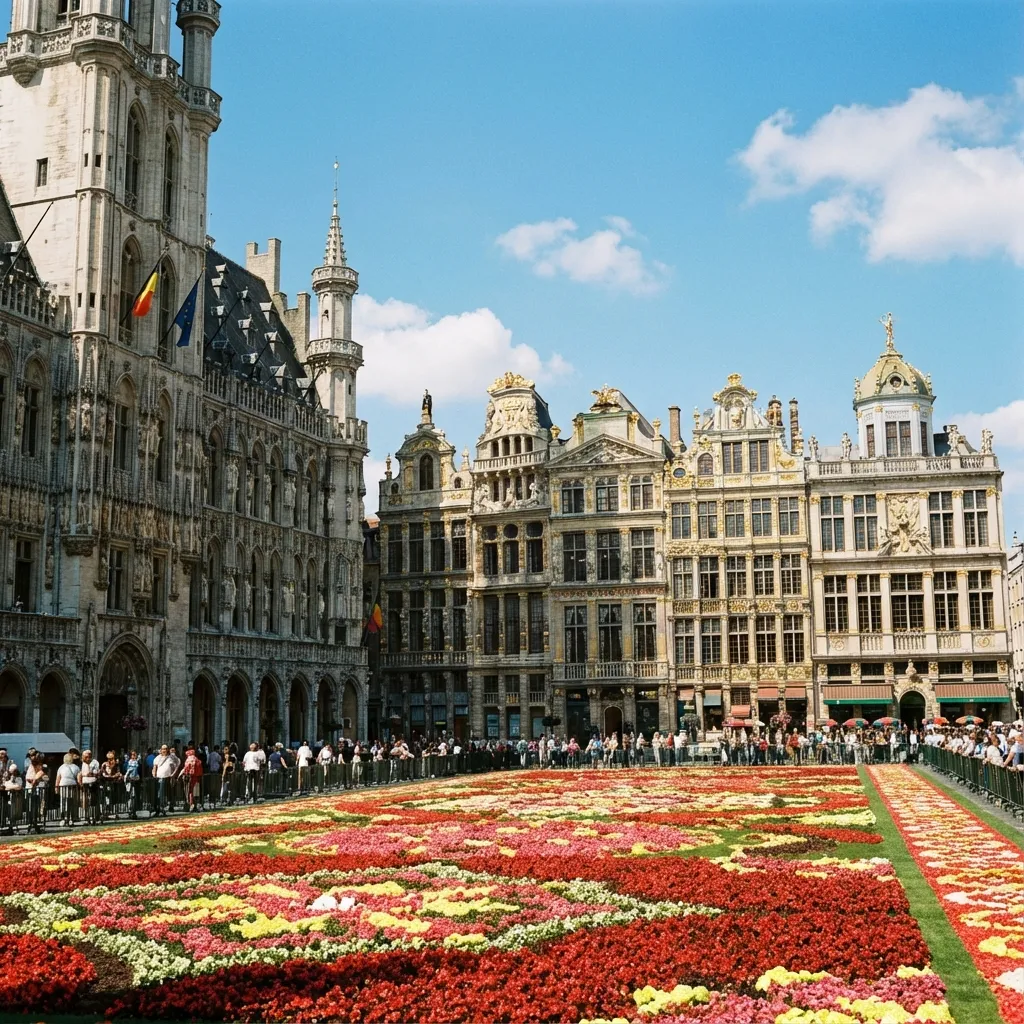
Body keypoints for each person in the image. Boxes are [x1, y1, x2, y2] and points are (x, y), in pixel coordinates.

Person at [153, 744, 178, 816]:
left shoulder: (170, 758)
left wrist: (173, 775)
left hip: (168, 778)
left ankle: (164, 808)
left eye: (166, 749)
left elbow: (174, 766)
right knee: (159, 794)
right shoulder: (157, 758)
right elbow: (155, 767)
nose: (164, 750)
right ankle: (159, 809)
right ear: (161, 750)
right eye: (163, 749)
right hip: (160, 778)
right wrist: (154, 775)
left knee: (166, 794)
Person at [25, 755, 48, 833]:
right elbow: (28, 778)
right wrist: (34, 780)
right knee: (31, 807)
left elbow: (46, 778)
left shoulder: (41, 769)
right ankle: (31, 822)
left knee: (37, 807)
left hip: (38, 790)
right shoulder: (31, 768)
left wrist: (37, 779)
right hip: (31, 790)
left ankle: (36, 822)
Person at [56, 751, 80, 826]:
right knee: (71, 802)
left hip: (63, 785)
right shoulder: (76, 767)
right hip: (72, 785)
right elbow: (79, 778)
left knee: (63, 802)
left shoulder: (61, 767)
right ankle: (71, 818)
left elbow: (58, 778)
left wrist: (56, 787)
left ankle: (63, 818)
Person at [99, 750, 123, 821]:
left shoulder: (116, 765)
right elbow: (102, 773)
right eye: (109, 759)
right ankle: (105, 812)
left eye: (112, 759)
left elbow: (118, 773)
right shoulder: (104, 764)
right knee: (106, 797)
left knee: (113, 797)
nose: (111, 760)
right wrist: (108, 776)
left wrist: (114, 776)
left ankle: (113, 812)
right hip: (106, 783)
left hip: (113, 783)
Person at [179, 745, 203, 811]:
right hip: (197, 777)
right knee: (196, 792)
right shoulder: (196, 759)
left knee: (189, 791)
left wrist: (180, 775)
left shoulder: (188, 759)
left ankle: (191, 804)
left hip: (189, 777)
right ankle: (195, 804)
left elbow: (185, 768)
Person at [79, 749, 100, 825]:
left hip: (92, 782)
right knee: (86, 800)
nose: (86, 758)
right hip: (85, 783)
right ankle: (87, 817)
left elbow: (96, 772)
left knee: (93, 800)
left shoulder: (95, 762)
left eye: (87, 756)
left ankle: (93, 817)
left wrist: (91, 774)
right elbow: (82, 773)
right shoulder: (83, 763)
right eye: (85, 757)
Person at [2, 764, 23, 834]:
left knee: (14, 813)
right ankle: (10, 827)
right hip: (9, 798)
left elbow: (18, 786)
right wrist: (11, 786)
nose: (12, 774)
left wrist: (11, 786)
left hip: (16, 798)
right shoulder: (7, 778)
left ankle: (14, 827)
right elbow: (5, 786)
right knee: (9, 813)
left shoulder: (19, 778)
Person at [123, 750, 141, 818]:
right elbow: (124, 770)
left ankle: (134, 811)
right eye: (132, 755)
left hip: (136, 781)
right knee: (129, 796)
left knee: (135, 796)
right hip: (129, 781)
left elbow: (140, 772)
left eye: (134, 755)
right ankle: (129, 810)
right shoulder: (127, 763)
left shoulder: (138, 763)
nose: (133, 756)